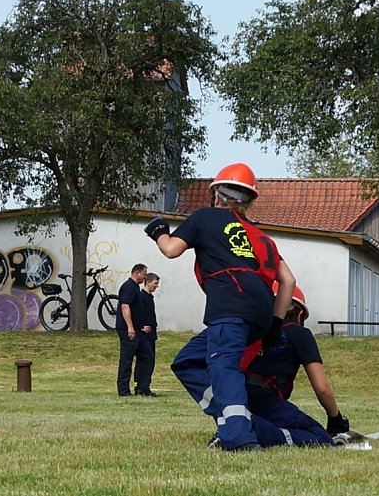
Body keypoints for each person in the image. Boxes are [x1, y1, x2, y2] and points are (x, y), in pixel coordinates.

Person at [147, 162, 297, 452]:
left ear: (215, 193)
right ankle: (232, 418)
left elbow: (171, 249)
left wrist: (158, 231)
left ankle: (240, 437)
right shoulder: (260, 236)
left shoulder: (204, 217)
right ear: (249, 201)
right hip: (261, 309)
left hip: (231, 301)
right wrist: (275, 326)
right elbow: (288, 281)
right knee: (188, 361)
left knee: (224, 366)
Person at [220, 282, 351, 448]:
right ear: (299, 312)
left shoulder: (248, 330)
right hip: (265, 399)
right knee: (319, 436)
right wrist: (335, 418)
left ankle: (237, 426)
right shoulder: (299, 333)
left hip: (236, 395)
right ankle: (251, 430)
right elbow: (322, 388)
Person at [115, 263, 152, 397]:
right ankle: (123, 390)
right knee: (127, 359)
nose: (145, 277)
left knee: (147, 356)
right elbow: (125, 307)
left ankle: (142, 387)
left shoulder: (135, 287)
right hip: (128, 330)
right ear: (137, 273)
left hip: (138, 330)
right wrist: (130, 327)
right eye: (144, 274)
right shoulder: (128, 287)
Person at [136, 273, 160, 397]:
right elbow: (137, 313)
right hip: (144, 335)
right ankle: (141, 386)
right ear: (148, 282)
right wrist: (141, 326)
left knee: (150, 360)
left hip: (151, 333)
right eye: (155, 283)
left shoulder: (149, 297)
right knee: (145, 359)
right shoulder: (142, 297)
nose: (157, 286)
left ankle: (145, 386)